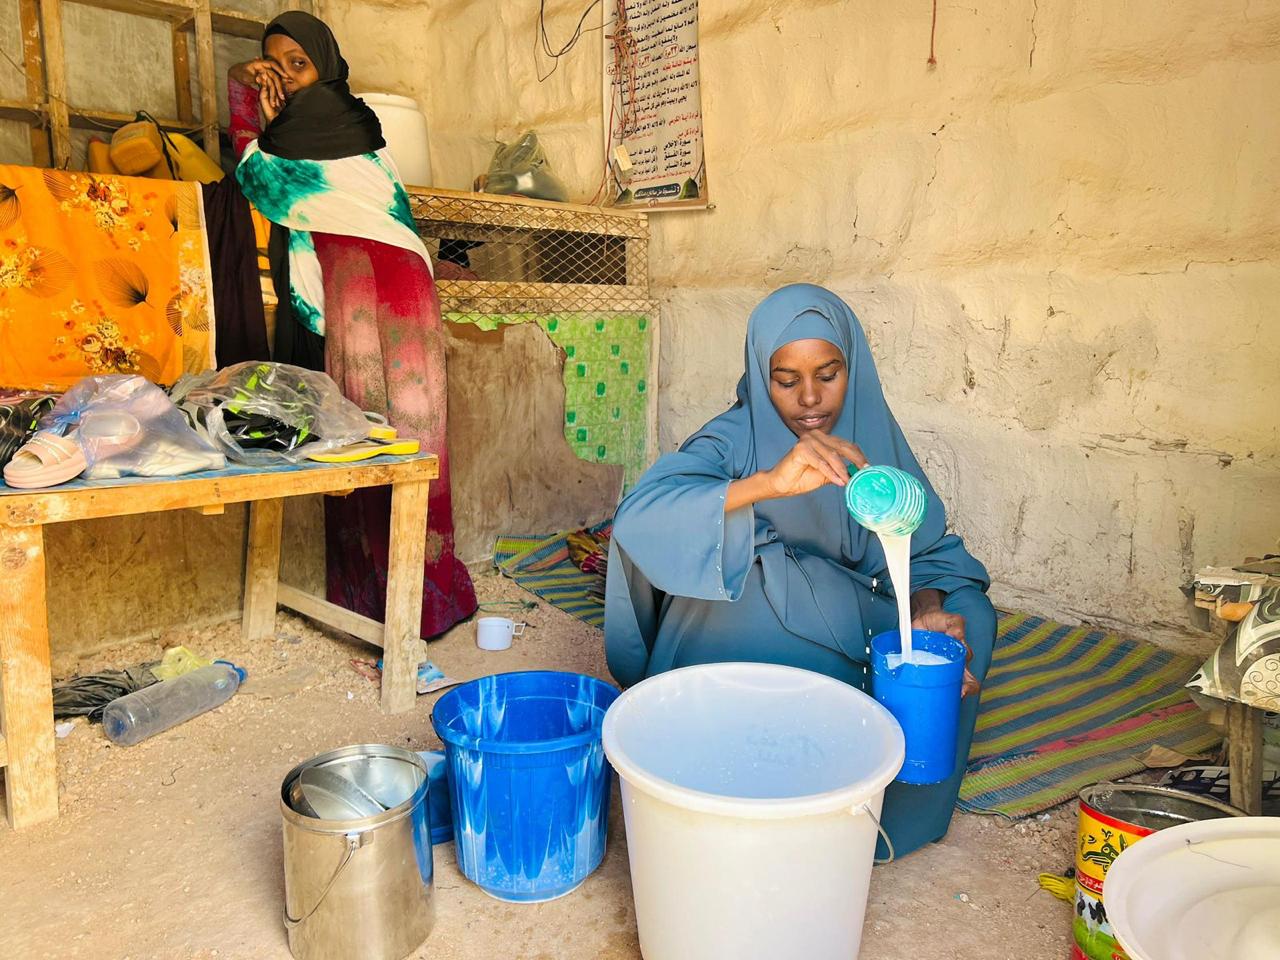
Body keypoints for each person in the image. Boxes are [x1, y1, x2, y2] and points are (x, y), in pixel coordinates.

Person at [604, 283, 995, 858]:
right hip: (772, 613)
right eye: (786, 381)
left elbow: (930, 553)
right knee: (751, 589)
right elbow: (641, 518)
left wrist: (928, 609)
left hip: (860, 614)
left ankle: (889, 812)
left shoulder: (873, 434)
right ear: (762, 376)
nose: (810, 399)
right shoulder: (732, 438)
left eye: (829, 374)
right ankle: (760, 769)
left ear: (852, 366)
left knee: (970, 616)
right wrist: (768, 485)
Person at [228, 12, 476, 637]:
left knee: (413, 444)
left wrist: (258, 114)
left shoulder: (352, 132)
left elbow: (254, 171)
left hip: (392, 289)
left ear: (326, 65)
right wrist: (248, 83)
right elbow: (252, 160)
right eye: (274, 64)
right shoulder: (288, 139)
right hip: (355, 292)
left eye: (298, 63)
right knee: (365, 439)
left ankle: (421, 598)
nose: (286, 77)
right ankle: (370, 601)